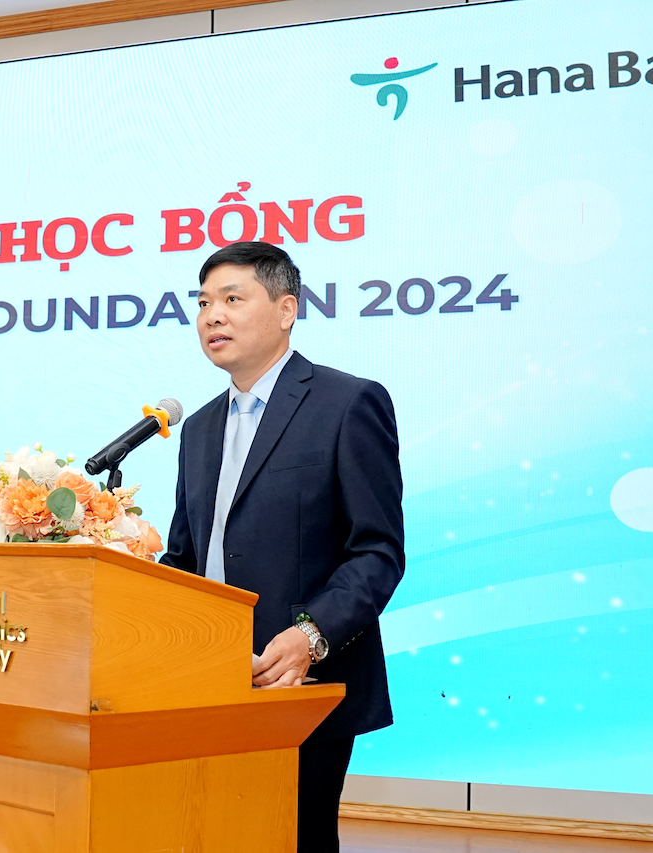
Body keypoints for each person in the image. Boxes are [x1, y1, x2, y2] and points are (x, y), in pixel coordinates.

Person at [159, 241, 405, 853]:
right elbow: (185, 558)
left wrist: (310, 635)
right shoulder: (199, 428)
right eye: (203, 303)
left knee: (293, 840)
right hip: (207, 681)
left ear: (287, 309)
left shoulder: (348, 403)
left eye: (232, 299)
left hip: (301, 682)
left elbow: (377, 552)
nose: (213, 316)